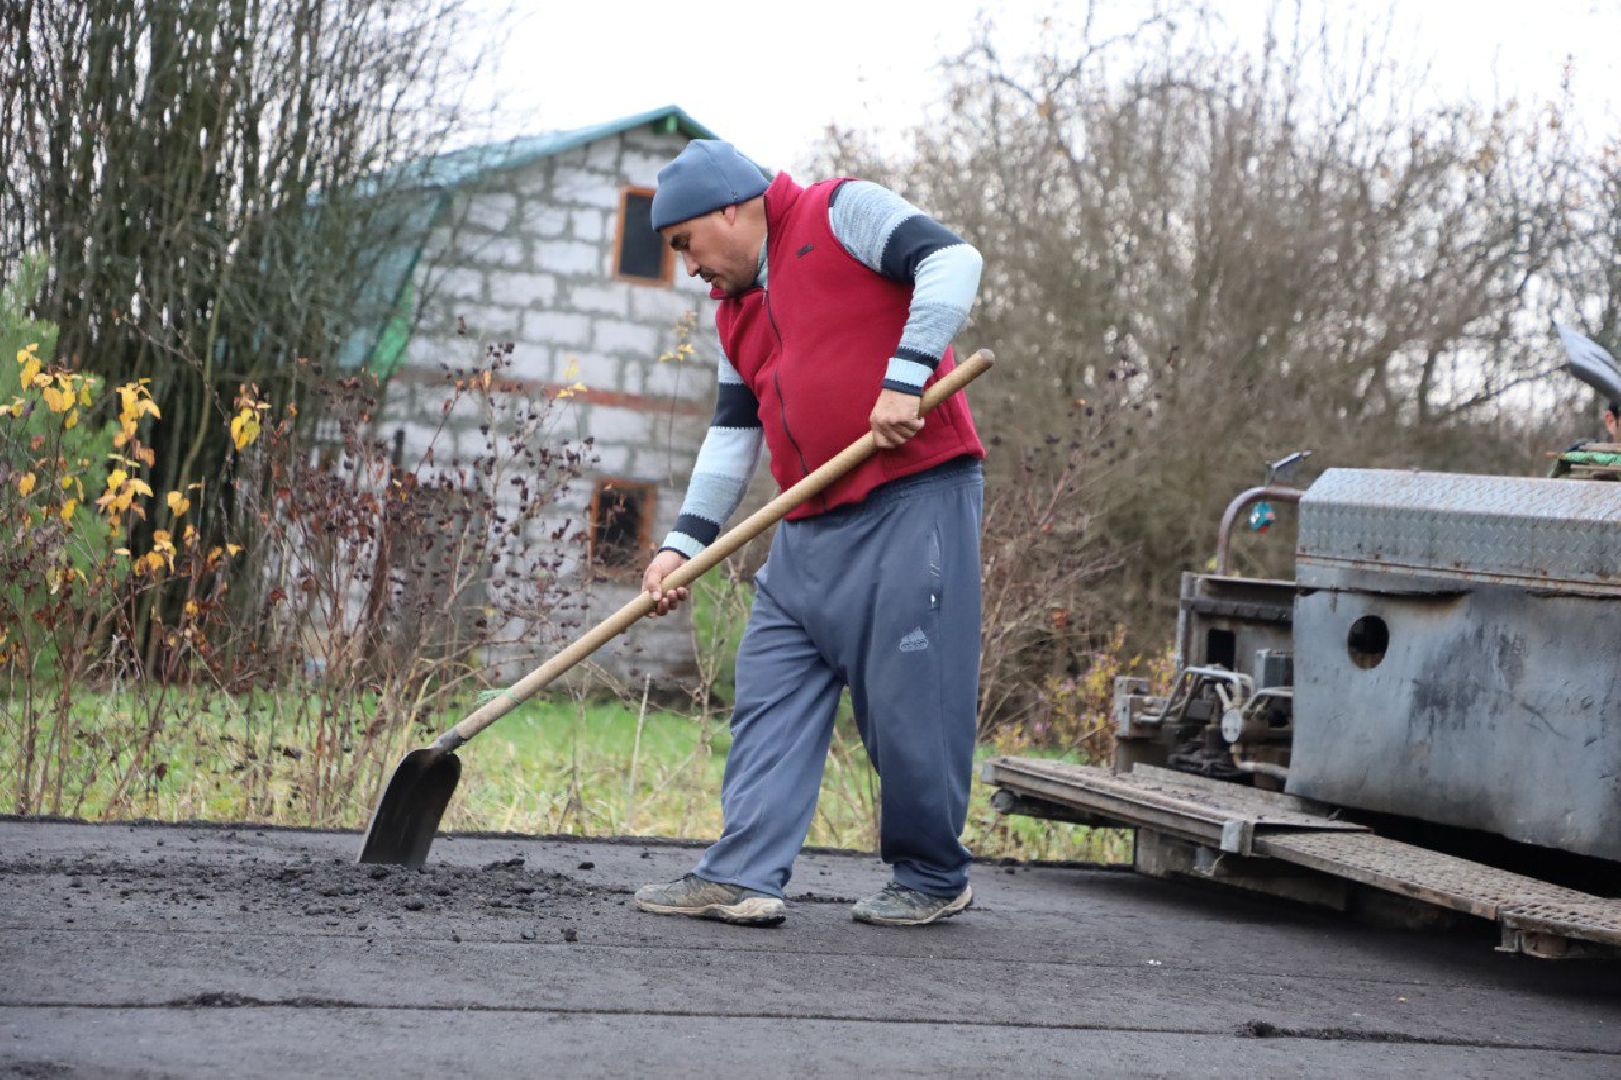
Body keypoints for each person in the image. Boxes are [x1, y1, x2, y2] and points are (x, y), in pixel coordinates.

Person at [631, 139, 987, 928]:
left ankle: (932, 875)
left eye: (686, 243)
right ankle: (743, 872)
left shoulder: (838, 211)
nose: (688, 267)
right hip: (806, 521)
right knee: (769, 690)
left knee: (908, 706)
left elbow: (954, 261)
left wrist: (905, 377)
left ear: (730, 208)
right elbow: (733, 434)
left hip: (914, 498)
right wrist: (680, 546)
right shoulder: (734, 313)